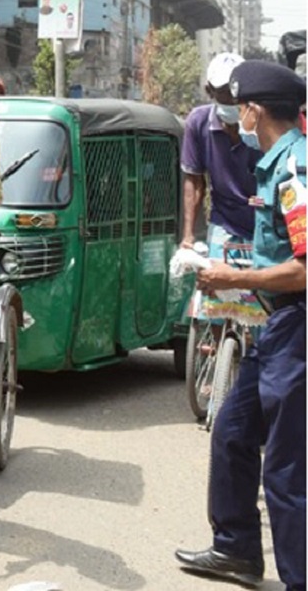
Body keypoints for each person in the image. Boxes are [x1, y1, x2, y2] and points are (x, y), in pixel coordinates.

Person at [177, 60, 306, 591]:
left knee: (287, 469)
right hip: (277, 331)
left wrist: (235, 275)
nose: (237, 117)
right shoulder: (275, 161)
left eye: (241, 107)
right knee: (231, 430)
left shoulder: (294, 169)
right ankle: (236, 550)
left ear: (253, 109)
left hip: (298, 331)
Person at [181, 53, 261, 255]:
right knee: (215, 280)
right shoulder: (198, 122)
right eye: (225, 92)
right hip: (224, 222)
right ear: (209, 91)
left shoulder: (263, 121)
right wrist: (188, 234)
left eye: (237, 91)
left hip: (265, 222)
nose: (233, 98)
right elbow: (195, 181)